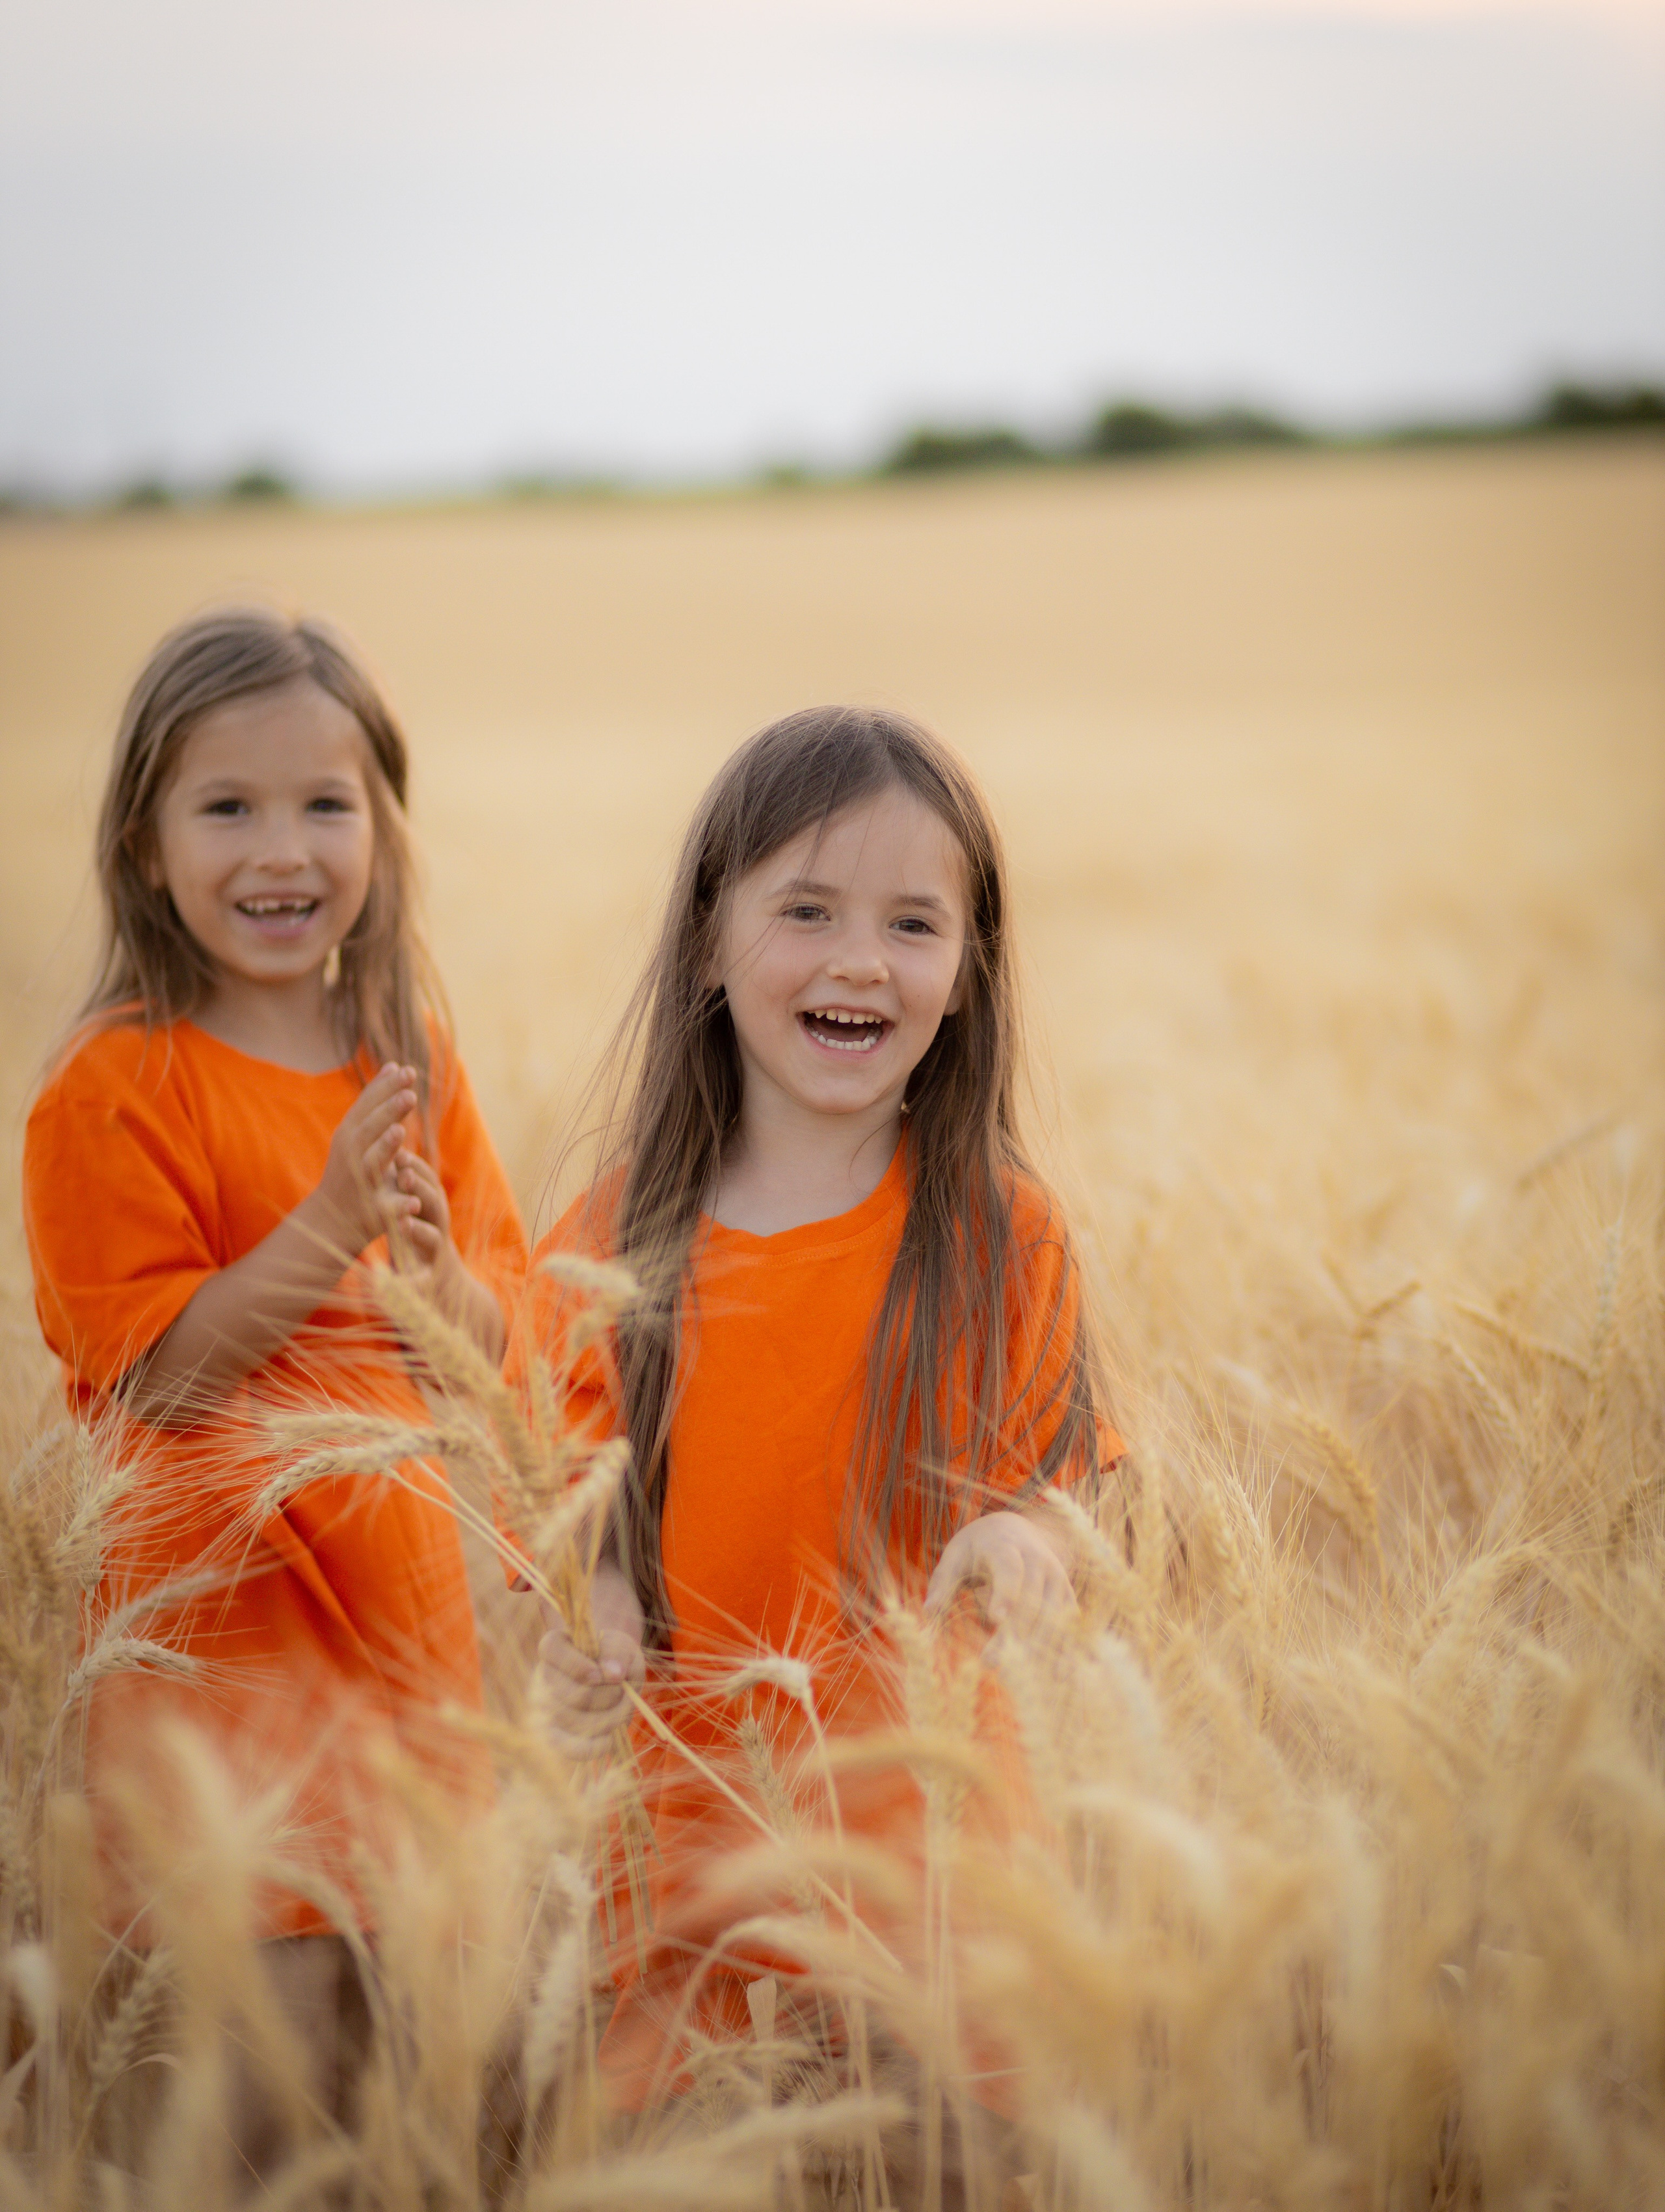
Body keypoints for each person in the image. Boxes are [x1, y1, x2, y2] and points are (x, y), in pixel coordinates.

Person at [515, 704, 1121, 2124]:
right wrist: (585, 1598)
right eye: (806, 910)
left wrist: (1031, 1535)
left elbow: (1054, 1480)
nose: (860, 960)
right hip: (683, 1849)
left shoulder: (997, 1237)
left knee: (936, 2160)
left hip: (939, 1845)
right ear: (707, 946)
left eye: (914, 925)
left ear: (970, 972)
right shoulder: (610, 1245)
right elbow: (556, 1498)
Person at [23, 609, 527, 1976]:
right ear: (145, 844)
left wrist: (432, 1282)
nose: (282, 851)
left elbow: (495, 1360)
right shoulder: (114, 1084)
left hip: (406, 1638)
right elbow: (162, 1376)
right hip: (221, 1653)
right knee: (264, 2047)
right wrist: (331, 1225)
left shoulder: (404, 1058)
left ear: (382, 829)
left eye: (325, 805)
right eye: (227, 807)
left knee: (410, 2044)